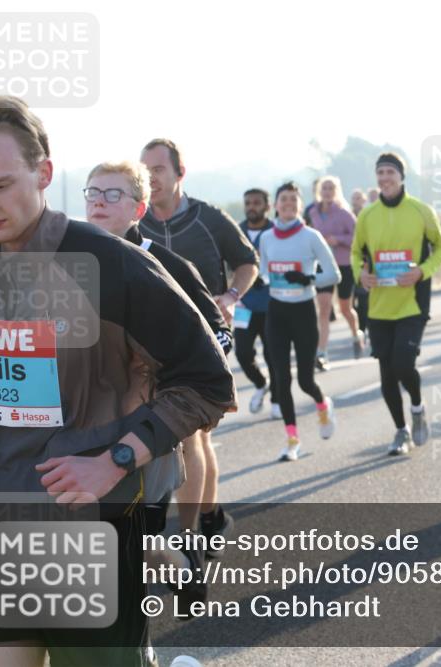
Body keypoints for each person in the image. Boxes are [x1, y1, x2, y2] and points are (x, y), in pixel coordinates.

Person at [0, 95, 235, 667]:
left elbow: (207, 382)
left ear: (44, 173)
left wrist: (117, 459)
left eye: (1, 185)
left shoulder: (113, 266)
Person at [83, 160, 234, 610]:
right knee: (112, 534)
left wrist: (177, 382)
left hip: (155, 418)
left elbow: (218, 334)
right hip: (89, 418)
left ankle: (184, 548)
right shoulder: (68, 262)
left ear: (139, 208)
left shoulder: (167, 265)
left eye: (113, 194)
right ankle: (174, 565)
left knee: (135, 531)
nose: (99, 202)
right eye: (93, 193)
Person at [139, 138, 258, 555]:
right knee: (188, 439)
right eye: (145, 170)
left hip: (206, 338)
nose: (151, 177)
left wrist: (231, 297)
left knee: (189, 437)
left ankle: (188, 536)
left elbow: (248, 262)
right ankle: (210, 517)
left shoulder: (208, 218)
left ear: (179, 173)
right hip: (150, 346)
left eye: (158, 169)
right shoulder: (137, 221)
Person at [351, 152, 441, 455]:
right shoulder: (367, 215)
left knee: (403, 364)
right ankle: (401, 430)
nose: (385, 178)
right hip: (379, 305)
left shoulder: (421, 211)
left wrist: (421, 271)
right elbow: (356, 253)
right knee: (386, 372)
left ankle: (418, 408)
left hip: (412, 303)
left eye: (390, 172)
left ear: (401, 176)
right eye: (380, 172)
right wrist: (360, 275)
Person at [260, 182, 340, 461]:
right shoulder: (266, 238)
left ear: (300, 205)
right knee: (281, 379)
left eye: (293, 200)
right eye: (283, 199)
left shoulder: (311, 236)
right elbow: (264, 272)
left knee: (306, 381)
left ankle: (322, 404)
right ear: (275, 205)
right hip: (276, 313)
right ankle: (292, 440)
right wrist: (263, 280)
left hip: (303, 312)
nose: (288, 204)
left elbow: (334, 274)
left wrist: (308, 279)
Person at [309, 176, 365, 368]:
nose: (327, 191)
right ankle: (322, 353)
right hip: (322, 265)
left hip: (343, 264)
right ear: (319, 191)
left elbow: (357, 238)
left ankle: (356, 334)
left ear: (336, 191)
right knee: (324, 308)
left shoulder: (344, 213)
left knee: (345, 309)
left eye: (331, 188)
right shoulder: (312, 213)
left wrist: (338, 239)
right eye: (324, 188)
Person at [236, 188, 276, 415]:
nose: (252, 207)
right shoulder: (236, 231)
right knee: (242, 353)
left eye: (256, 203)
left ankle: (278, 400)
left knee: (273, 354)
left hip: (272, 305)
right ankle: (261, 384)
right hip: (244, 305)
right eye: (248, 203)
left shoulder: (276, 231)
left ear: (267, 206)